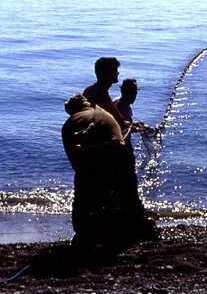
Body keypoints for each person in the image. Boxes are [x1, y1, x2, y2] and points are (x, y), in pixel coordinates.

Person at [61, 94, 157, 247]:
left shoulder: (69, 124)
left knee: (83, 201)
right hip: (118, 153)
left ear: (70, 111)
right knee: (128, 193)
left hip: (90, 155)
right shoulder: (104, 114)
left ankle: (82, 232)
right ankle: (137, 222)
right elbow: (120, 140)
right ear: (88, 105)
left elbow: (75, 161)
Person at [83, 57, 128, 130]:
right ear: (107, 74)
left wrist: (130, 124)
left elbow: (117, 116)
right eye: (115, 71)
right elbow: (106, 124)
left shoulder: (90, 89)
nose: (118, 73)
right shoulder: (101, 96)